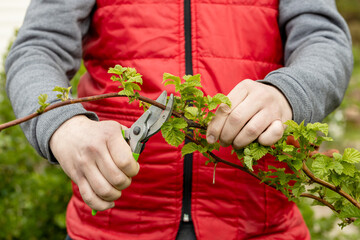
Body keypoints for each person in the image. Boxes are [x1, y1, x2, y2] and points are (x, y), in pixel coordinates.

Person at [5, 0, 352, 239]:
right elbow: (39, 47)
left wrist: (288, 92)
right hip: (111, 229)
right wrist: (63, 125)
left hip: (262, 226)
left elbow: (323, 39)